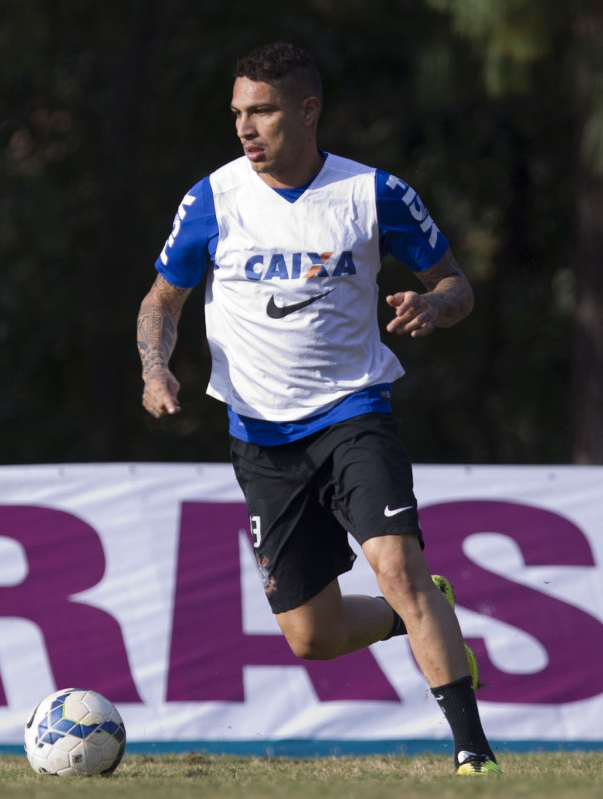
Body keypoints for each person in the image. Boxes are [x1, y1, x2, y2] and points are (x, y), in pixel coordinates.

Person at [135, 42, 499, 776]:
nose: (245, 127)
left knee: (395, 561)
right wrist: (154, 368)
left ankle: (473, 751)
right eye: (238, 113)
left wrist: (433, 302)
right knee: (312, 634)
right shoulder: (212, 198)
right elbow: (161, 301)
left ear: (308, 110)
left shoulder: (373, 195)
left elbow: (457, 283)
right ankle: (416, 612)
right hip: (260, 438)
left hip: (352, 412)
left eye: (262, 111)